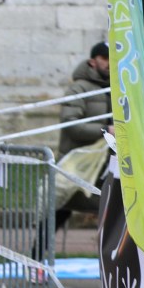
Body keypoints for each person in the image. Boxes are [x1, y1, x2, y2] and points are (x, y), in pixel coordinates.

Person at [55, 41, 111, 232]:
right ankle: (38, 249)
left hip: (108, 165)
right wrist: (106, 130)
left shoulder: (122, 89)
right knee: (60, 209)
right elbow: (71, 125)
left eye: (113, 58)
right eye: (104, 58)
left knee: (116, 210)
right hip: (78, 163)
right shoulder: (78, 89)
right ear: (92, 61)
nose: (109, 62)